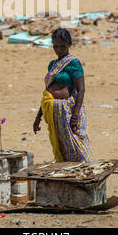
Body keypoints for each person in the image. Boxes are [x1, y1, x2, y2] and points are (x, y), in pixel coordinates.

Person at [33, 28, 92, 163]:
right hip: (53, 110)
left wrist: (75, 114)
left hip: (67, 110)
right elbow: (47, 93)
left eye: (62, 46)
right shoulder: (52, 65)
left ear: (69, 44)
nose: (58, 49)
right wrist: (38, 117)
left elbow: (81, 90)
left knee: (75, 143)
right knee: (60, 144)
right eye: (55, 46)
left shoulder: (73, 63)